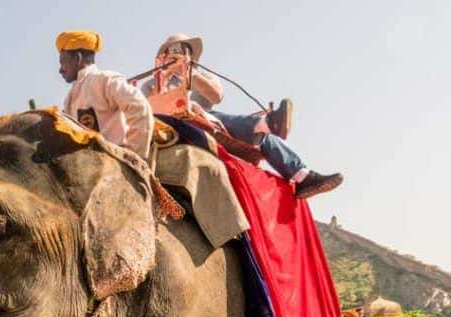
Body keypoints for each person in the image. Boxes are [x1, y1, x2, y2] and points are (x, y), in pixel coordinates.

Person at [144, 33, 343, 200]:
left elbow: (216, 96)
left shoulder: (200, 76)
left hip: (207, 122)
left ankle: (302, 176)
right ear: (164, 54)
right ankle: (267, 123)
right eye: (174, 50)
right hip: (171, 125)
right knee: (200, 109)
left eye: (184, 50)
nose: (179, 54)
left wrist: (189, 74)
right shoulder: (151, 82)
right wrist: (163, 78)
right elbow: (146, 111)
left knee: (262, 136)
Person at [57, 30, 153, 158]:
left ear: (78, 58)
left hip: (115, 166)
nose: (60, 70)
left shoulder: (105, 80)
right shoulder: (69, 97)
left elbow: (140, 107)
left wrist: (133, 156)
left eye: (63, 61)